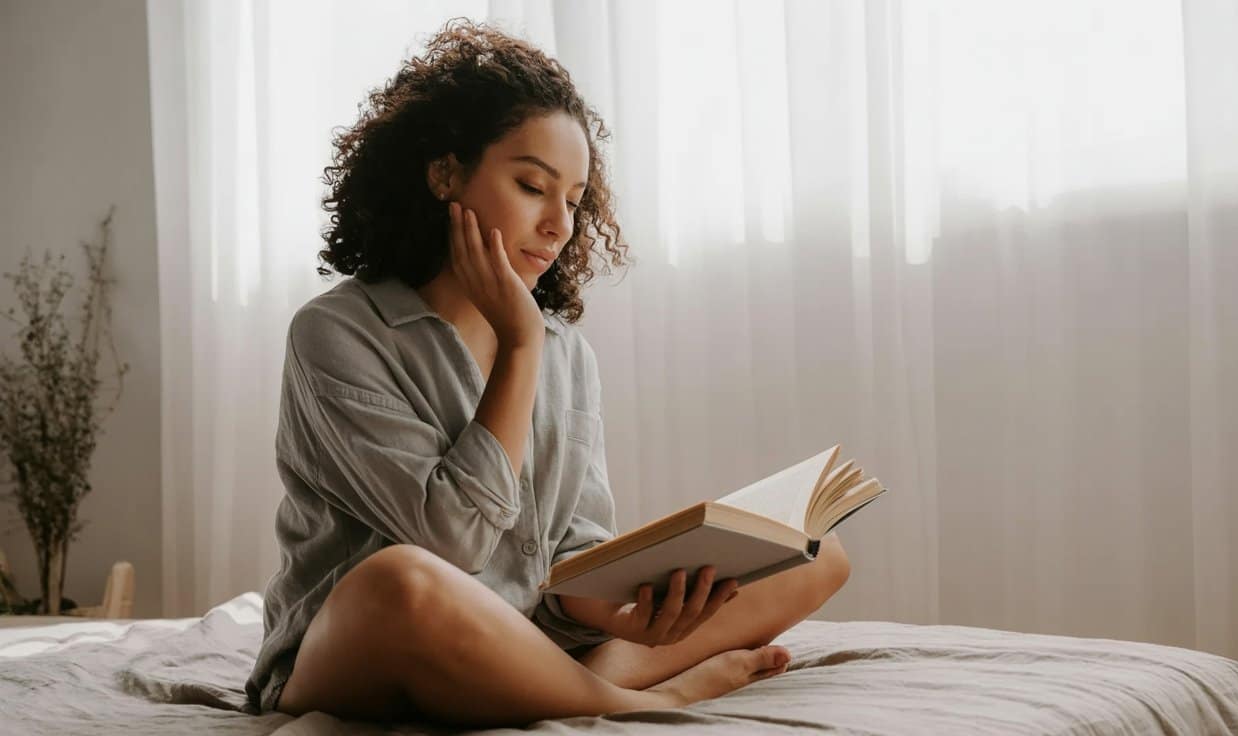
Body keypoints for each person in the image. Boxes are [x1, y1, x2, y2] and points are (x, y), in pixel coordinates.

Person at [244, 19, 851, 728]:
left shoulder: (567, 351)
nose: (559, 224)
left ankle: (584, 682)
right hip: (366, 651)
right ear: (444, 174)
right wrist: (520, 347)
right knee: (397, 580)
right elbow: (450, 544)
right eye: (533, 185)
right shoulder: (340, 333)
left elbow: (572, 555)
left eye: (574, 199)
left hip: (531, 638)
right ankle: (642, 700)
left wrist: (629, 607)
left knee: (816, 553)